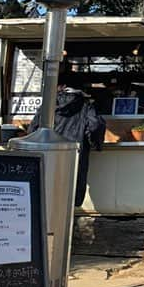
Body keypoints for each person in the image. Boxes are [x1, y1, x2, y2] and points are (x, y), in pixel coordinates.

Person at [29, 63, 105, 208]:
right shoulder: (85, 105)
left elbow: (33, 129)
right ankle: (66, 227)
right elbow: (95, 126)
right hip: (74, 155)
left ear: (61, 86)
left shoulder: (49, 103)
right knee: (70, 197)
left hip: (47, 155)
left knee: (45, 195)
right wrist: (95, 144)